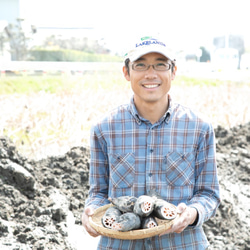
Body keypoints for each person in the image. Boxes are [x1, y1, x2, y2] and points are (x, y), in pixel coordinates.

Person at [82, 36, 220, 249]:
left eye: (160, 65)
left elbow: (208, 193)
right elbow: (99, 193)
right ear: (126, 72)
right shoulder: (104, 129)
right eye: (141, 65)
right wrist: (91, 212)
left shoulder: (199, 128)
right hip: (120, 243)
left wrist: (191, 213)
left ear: (173, 71)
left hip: (182, 243)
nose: (151, 74)